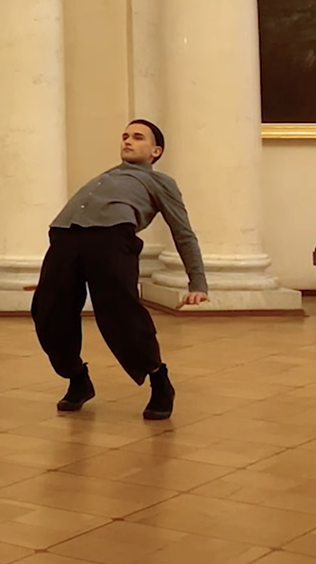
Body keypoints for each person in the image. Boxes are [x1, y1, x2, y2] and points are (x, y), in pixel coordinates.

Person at [32, 119, 206, 421]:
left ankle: (159, 379)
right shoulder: (106, 176)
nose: (127, 141)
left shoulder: (160, 182)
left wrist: (198, 282)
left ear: (156, 151)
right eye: (125, 136)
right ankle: (77, 378)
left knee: (121, 313)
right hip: (65, 237)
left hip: (112, 239)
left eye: (138, 137)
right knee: (48, 310)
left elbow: (183, 232)